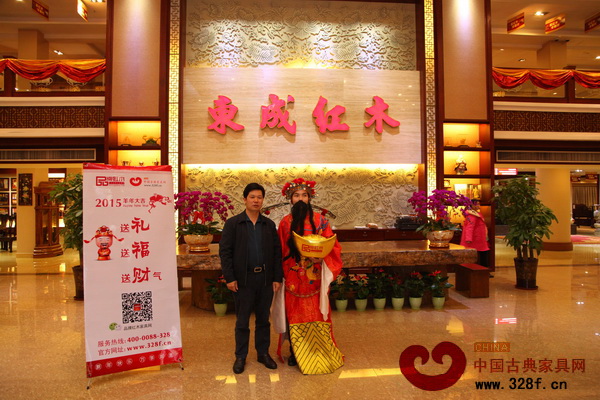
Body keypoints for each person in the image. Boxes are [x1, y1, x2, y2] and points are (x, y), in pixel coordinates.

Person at [273, 177, 344, 374]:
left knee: (316, 312)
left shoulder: (321, 221)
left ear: (310, 198)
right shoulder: (285, 223)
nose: (301, 199)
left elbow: (333, 246)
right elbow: (279, 250)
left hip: (315, 277)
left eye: (304, 195)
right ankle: (295, 351)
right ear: (290, 199)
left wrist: (321, 257)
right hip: (293, 277)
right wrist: (279, 275)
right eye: (296, 195)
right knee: (293, 314)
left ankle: (319, 348)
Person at [219, 183, 283, 374]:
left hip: (265, 279)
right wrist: (230, 278)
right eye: (252, 197)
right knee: (242, 321)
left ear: (263, 200)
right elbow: (225, 252)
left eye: (259, 197)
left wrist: (277, 277)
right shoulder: (233, 224)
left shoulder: (268, 225)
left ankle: (263, 353)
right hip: (243, 280)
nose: (256, 200)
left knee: (263, 320)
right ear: (245, 199)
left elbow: (277, 253)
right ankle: (240, 356)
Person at [460, 199, 490, 269]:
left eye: (479, 204)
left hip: (479, 238)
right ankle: (482, 271)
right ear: (472, 205)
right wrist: (468, 239)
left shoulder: (476, 214)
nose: (478, 205)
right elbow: (470, 227)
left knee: (482, 254)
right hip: (475, 239)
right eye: (476, 204)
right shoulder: (472, 215)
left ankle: (482, 270)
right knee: (481, 254)